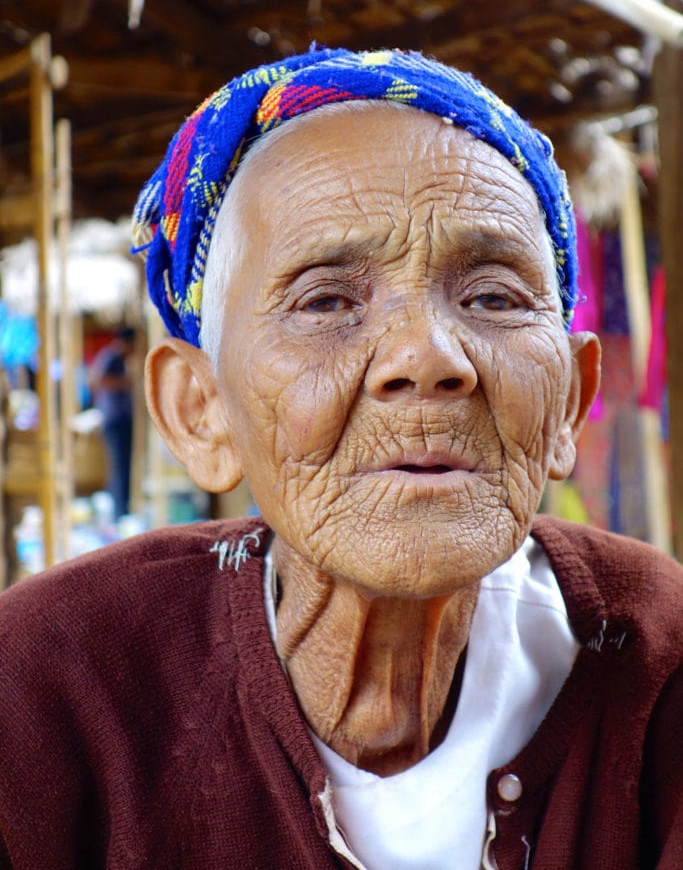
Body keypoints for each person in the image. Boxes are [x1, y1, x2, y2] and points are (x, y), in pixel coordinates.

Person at [0, 48, 680, 869]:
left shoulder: (659, 658)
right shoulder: (46, 682)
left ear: (569, 401)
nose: (428, 358)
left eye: (493, 297)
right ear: (200, 409)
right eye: (325, 301)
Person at [89, 327, 136, 520]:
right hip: (116, 420)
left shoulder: (117, 359)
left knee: (122, 465)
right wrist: (127, 383)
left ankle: (121, 509)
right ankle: (119, 512)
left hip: (119, 419)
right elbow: (99, 380)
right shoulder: (112, 358)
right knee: (120, 466)